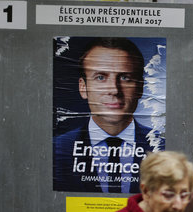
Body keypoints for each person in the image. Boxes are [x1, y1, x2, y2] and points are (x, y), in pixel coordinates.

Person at [53, 37, 164, 194]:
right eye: (100, 77)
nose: (114, 90)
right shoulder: (57, 150)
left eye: (125, 78)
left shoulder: (163, 149)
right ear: (83, 87)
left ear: (140, 88)